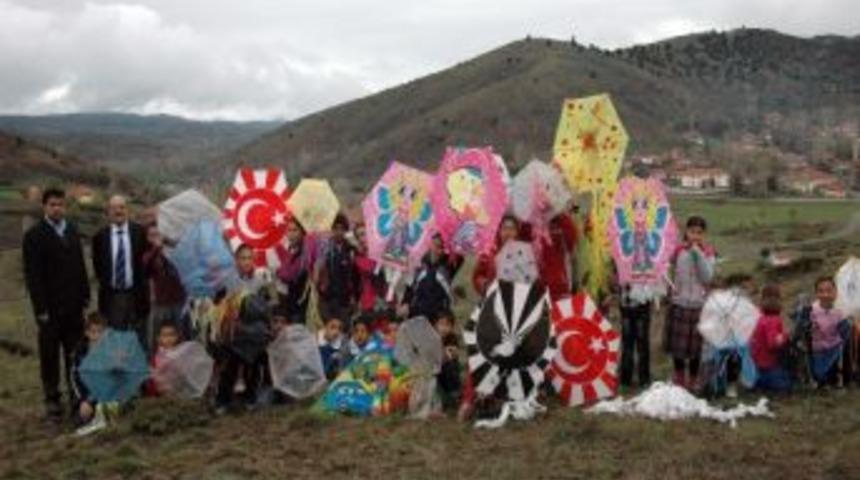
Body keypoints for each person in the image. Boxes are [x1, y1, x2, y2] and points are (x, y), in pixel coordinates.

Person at [23, 187, 90, 424]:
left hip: (73, 308)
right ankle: (53, 403)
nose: (57, 208)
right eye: (52, 204)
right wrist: (40, 309)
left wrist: (85, 296)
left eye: (60, 204)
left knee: (75, 355)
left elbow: (80, 266)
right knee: (49, 357)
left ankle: (76, 398)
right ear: (45, 206)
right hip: (49, 312)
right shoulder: (34, 236)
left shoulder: (71, 230)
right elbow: (33, 277)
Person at [665, 215, 716, 390]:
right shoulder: (678, 250)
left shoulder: (708, 252)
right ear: (686, 232)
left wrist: (697, 253)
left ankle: (694, 379)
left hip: (698, 306)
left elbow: (707, 276)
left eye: (699, 233)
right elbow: (665, 264)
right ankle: (679, 378)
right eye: (692, 231)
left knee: (695, 349)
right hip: (679, 303)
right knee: (678, 347)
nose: (695, 236)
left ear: (704, 235)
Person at [92, 195, 150, 339]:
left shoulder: (140, 232)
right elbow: (98, 268)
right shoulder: (100, 237)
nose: (118, 211)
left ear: (128, 210)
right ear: (108, 211)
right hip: (112, 297)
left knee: (139, 339)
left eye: (122, 207)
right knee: (115, 339)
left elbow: (146, 264)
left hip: (136, 295)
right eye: (114, 208)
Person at [794, 276, 851, 388]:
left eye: (829, 291)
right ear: (816, 293)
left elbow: (845, 334)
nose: (825, 295)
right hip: (817, 350)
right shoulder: (811, 310)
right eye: (821, 291)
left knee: (832, 375)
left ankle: (839, 374)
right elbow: (800, 329)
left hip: (834, 349)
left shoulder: (839, 311)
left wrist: (849, 325)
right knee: (820, 376)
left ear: (835, 292)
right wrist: (805, 323)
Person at [142, 224, 187, 351]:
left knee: (180, 334)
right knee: (157, 334)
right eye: (152, 235)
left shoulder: (173, 249)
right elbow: (146, 268)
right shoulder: (148, 254)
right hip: (161, 302)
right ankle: (157, 362)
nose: (156, 238)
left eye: (158, 234)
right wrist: (157, 248)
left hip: (179, 299)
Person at [404, 234, 463, 321]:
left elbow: (460, 254)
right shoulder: (419, 261)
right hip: (416, 312)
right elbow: (410, 285)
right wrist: (405, 302)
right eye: (437, 246)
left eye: (443, 247)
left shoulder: (449, 265)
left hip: (437, 317)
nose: (440, 251)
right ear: (430, 243)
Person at [317, 214, 360, 326]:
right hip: (326, 298)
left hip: (344, 300)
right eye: (336, 228)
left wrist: (355, 297)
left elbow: (356, 277)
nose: (339, 232)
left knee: (344, 329)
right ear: (332, 230)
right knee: (328, 329)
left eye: (342, 229)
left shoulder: (351, 250)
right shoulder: (324, 249)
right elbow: (317, 273)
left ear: (346, 231)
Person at [472, 214, 526, 296]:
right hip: (491, 300)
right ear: (499, 231)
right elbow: (478, 276)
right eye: (505, 228)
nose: (508, 233)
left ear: (517, 232)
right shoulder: (489, 252)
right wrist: (485, 285)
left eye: (511, 229)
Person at [751, 284, 792, 392]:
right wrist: (785, 335)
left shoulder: (760, 318)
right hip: (769, 365)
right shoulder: (773, 320)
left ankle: (758, 382)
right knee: (786, 384)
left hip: (757, 363)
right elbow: (773, 344)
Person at [276, 218, 316, 325]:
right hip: (290, 303)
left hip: (303, 305)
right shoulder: (292, 249)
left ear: (302, 232)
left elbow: (290, 274)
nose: (291, 234)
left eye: (295, 230)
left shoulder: (306, 251)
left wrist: (279, 271)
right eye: (289, 230)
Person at [71, 313, 105, 427]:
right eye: (93, 332)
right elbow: (75, 380)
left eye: (100, 332)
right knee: (79, 420)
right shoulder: (80, 352)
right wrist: (84, 401)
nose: (97, 336)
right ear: (87, 333)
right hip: (87, 396)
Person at [537, 213, 578, 301]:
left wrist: (559, 214)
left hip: (560, 286)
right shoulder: (533, 223)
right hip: (537, 287)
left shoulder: (562, 223)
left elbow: (572, 239)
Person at [353, 221, 387, 313]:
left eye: (363, 234)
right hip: (368, 301)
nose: (361, 239)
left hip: (385, 300)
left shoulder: (381, 252)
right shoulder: (359, 258)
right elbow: (370, 269)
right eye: (358, 236)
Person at [434, 310, 462, 410]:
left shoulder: (452, 338)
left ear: (452, 327)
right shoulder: (432, 338)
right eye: (441, 324)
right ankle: (440, 399)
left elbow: (454, 354)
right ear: (435, 325)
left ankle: (455, 394)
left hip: (448, 372)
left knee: (451, 366)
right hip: (436, 373)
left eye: (447, 325)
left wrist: (449, 353)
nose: (444, 328)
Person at [145, 321, 182, 397]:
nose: (169, 339)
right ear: (158, 338)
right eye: (165, 335)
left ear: (177, 336)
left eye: (172, 335)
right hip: (160, 395)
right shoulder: (156, 358)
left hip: (177, 394)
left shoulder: (181, 355)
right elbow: (151, 382)